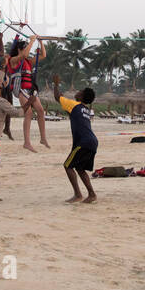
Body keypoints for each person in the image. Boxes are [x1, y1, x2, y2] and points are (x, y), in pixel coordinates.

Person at [51, 74, 98, 204]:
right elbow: (70, 113)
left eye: (80, 91)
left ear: (81, 96)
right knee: (80, 168)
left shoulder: (75, 105)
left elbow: (57, 97)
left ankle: (78, 194)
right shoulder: (85, 110)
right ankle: (92, 194)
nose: (77, 92)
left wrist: (55, 84)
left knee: (67, 166)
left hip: (84, 142)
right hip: (92, 142)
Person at [7, 35, 50, 152]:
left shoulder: (28, 61)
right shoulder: (13, 60)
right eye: (25, 48)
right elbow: (24, 54)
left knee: (41, 111)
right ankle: (27, 142)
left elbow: (43, 55)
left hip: (31, 90)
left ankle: (43, 138)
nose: (28, 50)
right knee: (29, 113)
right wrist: (32, 40)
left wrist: (40, 43)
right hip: (20, 90)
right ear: (19, 50)